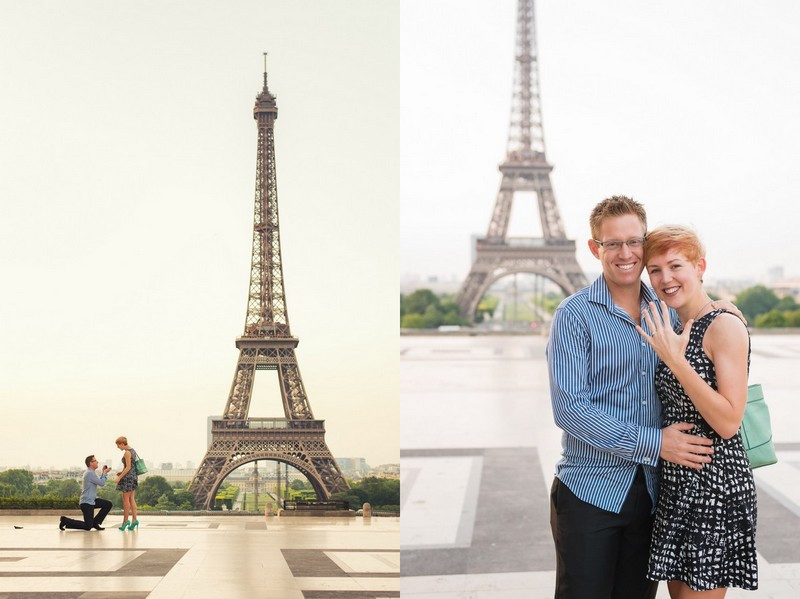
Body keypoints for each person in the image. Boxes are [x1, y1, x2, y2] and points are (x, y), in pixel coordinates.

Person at [547, 196, 722, 599]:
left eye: (634, 242)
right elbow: (570, 410)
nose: (625, 253)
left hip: (653, 493)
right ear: (595, 249)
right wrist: (657, 442)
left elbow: (711, 320)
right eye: (612, 244)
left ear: (645, 244)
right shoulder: (573, 316)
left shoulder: (669, 307)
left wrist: (727, 309)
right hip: (590, 489)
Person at [635, 225, 757, 597]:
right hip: (678, 481)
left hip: (713, 483)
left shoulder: (723, 326)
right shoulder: (675, 323)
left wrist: (676, 362)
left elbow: (728, 421)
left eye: (675, 266)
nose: (665, 278)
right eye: (655, 270)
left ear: (699, 266)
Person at [58, 455, 112, 531]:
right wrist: (105, 473)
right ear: (91, 463)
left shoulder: (91, 473)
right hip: (86, 503)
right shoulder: (90, 473)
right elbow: (102, 483)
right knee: (88, 526)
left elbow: (99, 481)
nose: (97, 462)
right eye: (95, 461)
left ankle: (95, 523)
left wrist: (103, 473)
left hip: (92, 501)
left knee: (108, 504)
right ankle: (65, 521)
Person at [114, 436, 140, 531]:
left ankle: (125, 522)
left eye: (118, 445)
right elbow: (131, 466)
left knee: (125, 499)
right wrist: (121, 473)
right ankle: (134, 520)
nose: (118, 447)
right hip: (133, 477)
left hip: (128, 478)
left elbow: (128, 467)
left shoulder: (127, 452)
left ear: (122, 443)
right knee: (131, 498)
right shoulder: (133, 450)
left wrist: (119, 477)